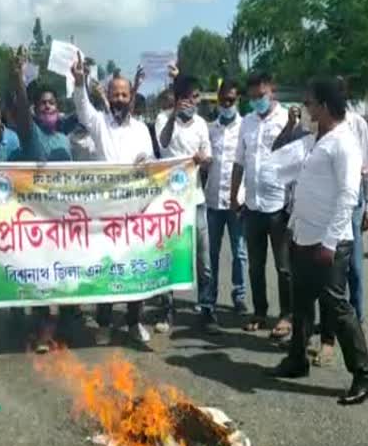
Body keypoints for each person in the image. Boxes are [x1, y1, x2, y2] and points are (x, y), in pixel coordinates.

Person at [271, 77, 368, 406]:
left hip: (328, 243)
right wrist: (294, 225)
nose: (306, 109)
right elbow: (306, 184)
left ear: (325, 106)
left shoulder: (344, 142)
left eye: (310, 103)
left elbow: (349, 195)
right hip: (304, 236)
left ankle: (365, 374)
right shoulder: (320, 138)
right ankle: (297, 360)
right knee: (301, 303)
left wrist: (330, 242)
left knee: (337, 307)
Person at [71, 53, 155, 345]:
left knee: (134, 269)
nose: (119, 99)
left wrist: (147, 163)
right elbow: (81, 107)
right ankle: (104, 324)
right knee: (106, 268)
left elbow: (153, 166)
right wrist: (79, 82)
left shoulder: (142, 129)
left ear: (131, 96)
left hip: (134, 214)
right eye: (114, 94)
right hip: (104, 213)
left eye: (124, 94)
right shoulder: (98, 123)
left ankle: (134, 322)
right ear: (107, 96)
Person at [10, 46, 75, 353]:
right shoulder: (31, 134)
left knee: (65, 272)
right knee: (42, 275)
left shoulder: (64, 138)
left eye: (52, 103)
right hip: (37, 221)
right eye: (43, 104)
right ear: (36, 110)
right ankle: (43, 331)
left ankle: (62, 324)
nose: (48, 107)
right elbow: (21, 112)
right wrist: (18, 80)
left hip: (65, 219)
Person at [312, 78, 368, 366]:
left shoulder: (356, 124)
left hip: (351, 205)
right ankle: (327, 339)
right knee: (328, 275)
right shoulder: (316, 126)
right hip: (323, 207)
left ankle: (356, 324)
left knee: (353, 269)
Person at [232, 72, 292, 341]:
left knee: (284, 266)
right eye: (253, 97)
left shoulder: (288, 119)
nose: (257, 101)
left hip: (280, 206)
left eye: (261, 96)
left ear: (272, 91)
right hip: (253, 205)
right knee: (255, 265)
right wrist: (235, 195)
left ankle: (286, 315)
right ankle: (259, 311)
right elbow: (239, 162)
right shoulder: (246, 122)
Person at [157, 74, 214, 333]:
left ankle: (207, 309)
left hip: (197, 200)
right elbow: (163, 142)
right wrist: (172, 116)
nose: (193, 101)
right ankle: (166, 311)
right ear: (178, 99)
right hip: (171, 203)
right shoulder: (162, 119)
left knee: (203, 259)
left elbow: (210, 158)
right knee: (170, 256)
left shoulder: (202, 124)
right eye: (188, 97)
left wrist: (204, 159)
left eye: (196, 97)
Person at [205, 80, 248, 334]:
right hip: (212, 200)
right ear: (218, 101)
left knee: (239, 252)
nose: (227, 105)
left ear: (238, 100)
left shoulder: (245, 127)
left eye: (231, 100)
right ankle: (208, 300)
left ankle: (239, 295)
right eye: (223, 101)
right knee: (211, 255)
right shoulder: (210, 129)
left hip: (237, 202)